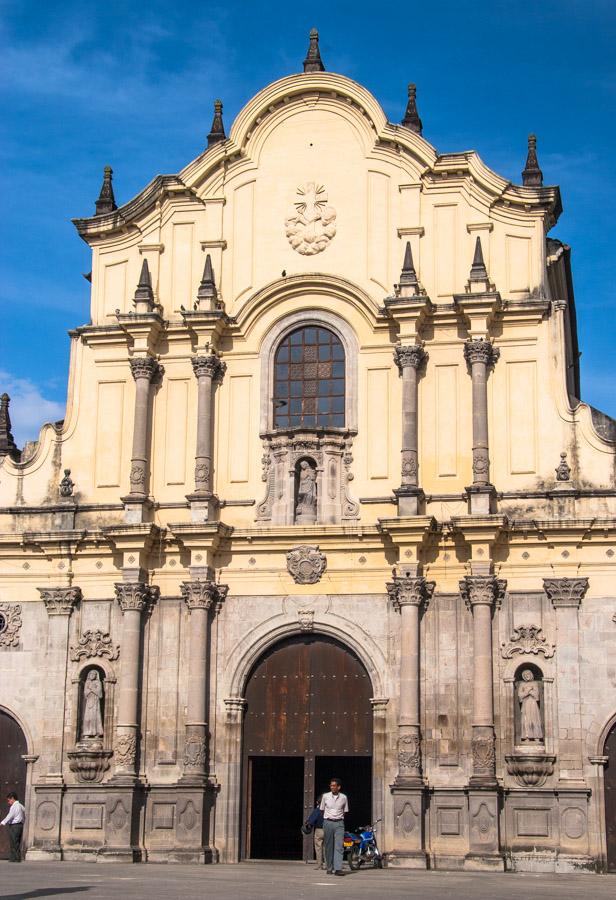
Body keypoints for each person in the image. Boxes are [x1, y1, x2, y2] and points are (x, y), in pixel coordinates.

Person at [320, 778, 348, 876]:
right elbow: (322, 809)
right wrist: (328, 819)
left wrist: (338, 819)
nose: (332, 787)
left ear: (338, 787)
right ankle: (329, 867)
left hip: (339, 823)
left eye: (334, 785)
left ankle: (338, 868)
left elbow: (345, 811)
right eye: (331, 785)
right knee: (328, 846)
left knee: (339, 846)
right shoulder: (325, 796)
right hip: (328, 822)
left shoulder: (344, 797)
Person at [1, 792, 25, 862]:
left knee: (14, 842)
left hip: (15, 826)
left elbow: (10, 815)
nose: (8, 802)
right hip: (19, 825)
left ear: (12, 798)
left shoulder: (15, 806)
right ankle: (15, 857)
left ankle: (15, 858)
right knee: (16, 841)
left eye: (9, 800)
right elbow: (24, 815)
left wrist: (3, 822)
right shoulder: (21, 806)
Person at [306, 795, 325, 869]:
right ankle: (328, 864)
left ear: (317, 802)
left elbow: (311, 821)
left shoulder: (317, 810)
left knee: (318, 847)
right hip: (328, 829)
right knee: (327, 848)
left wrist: (308, 824)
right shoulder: (328, 809)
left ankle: (320, 865)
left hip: (319, 830)